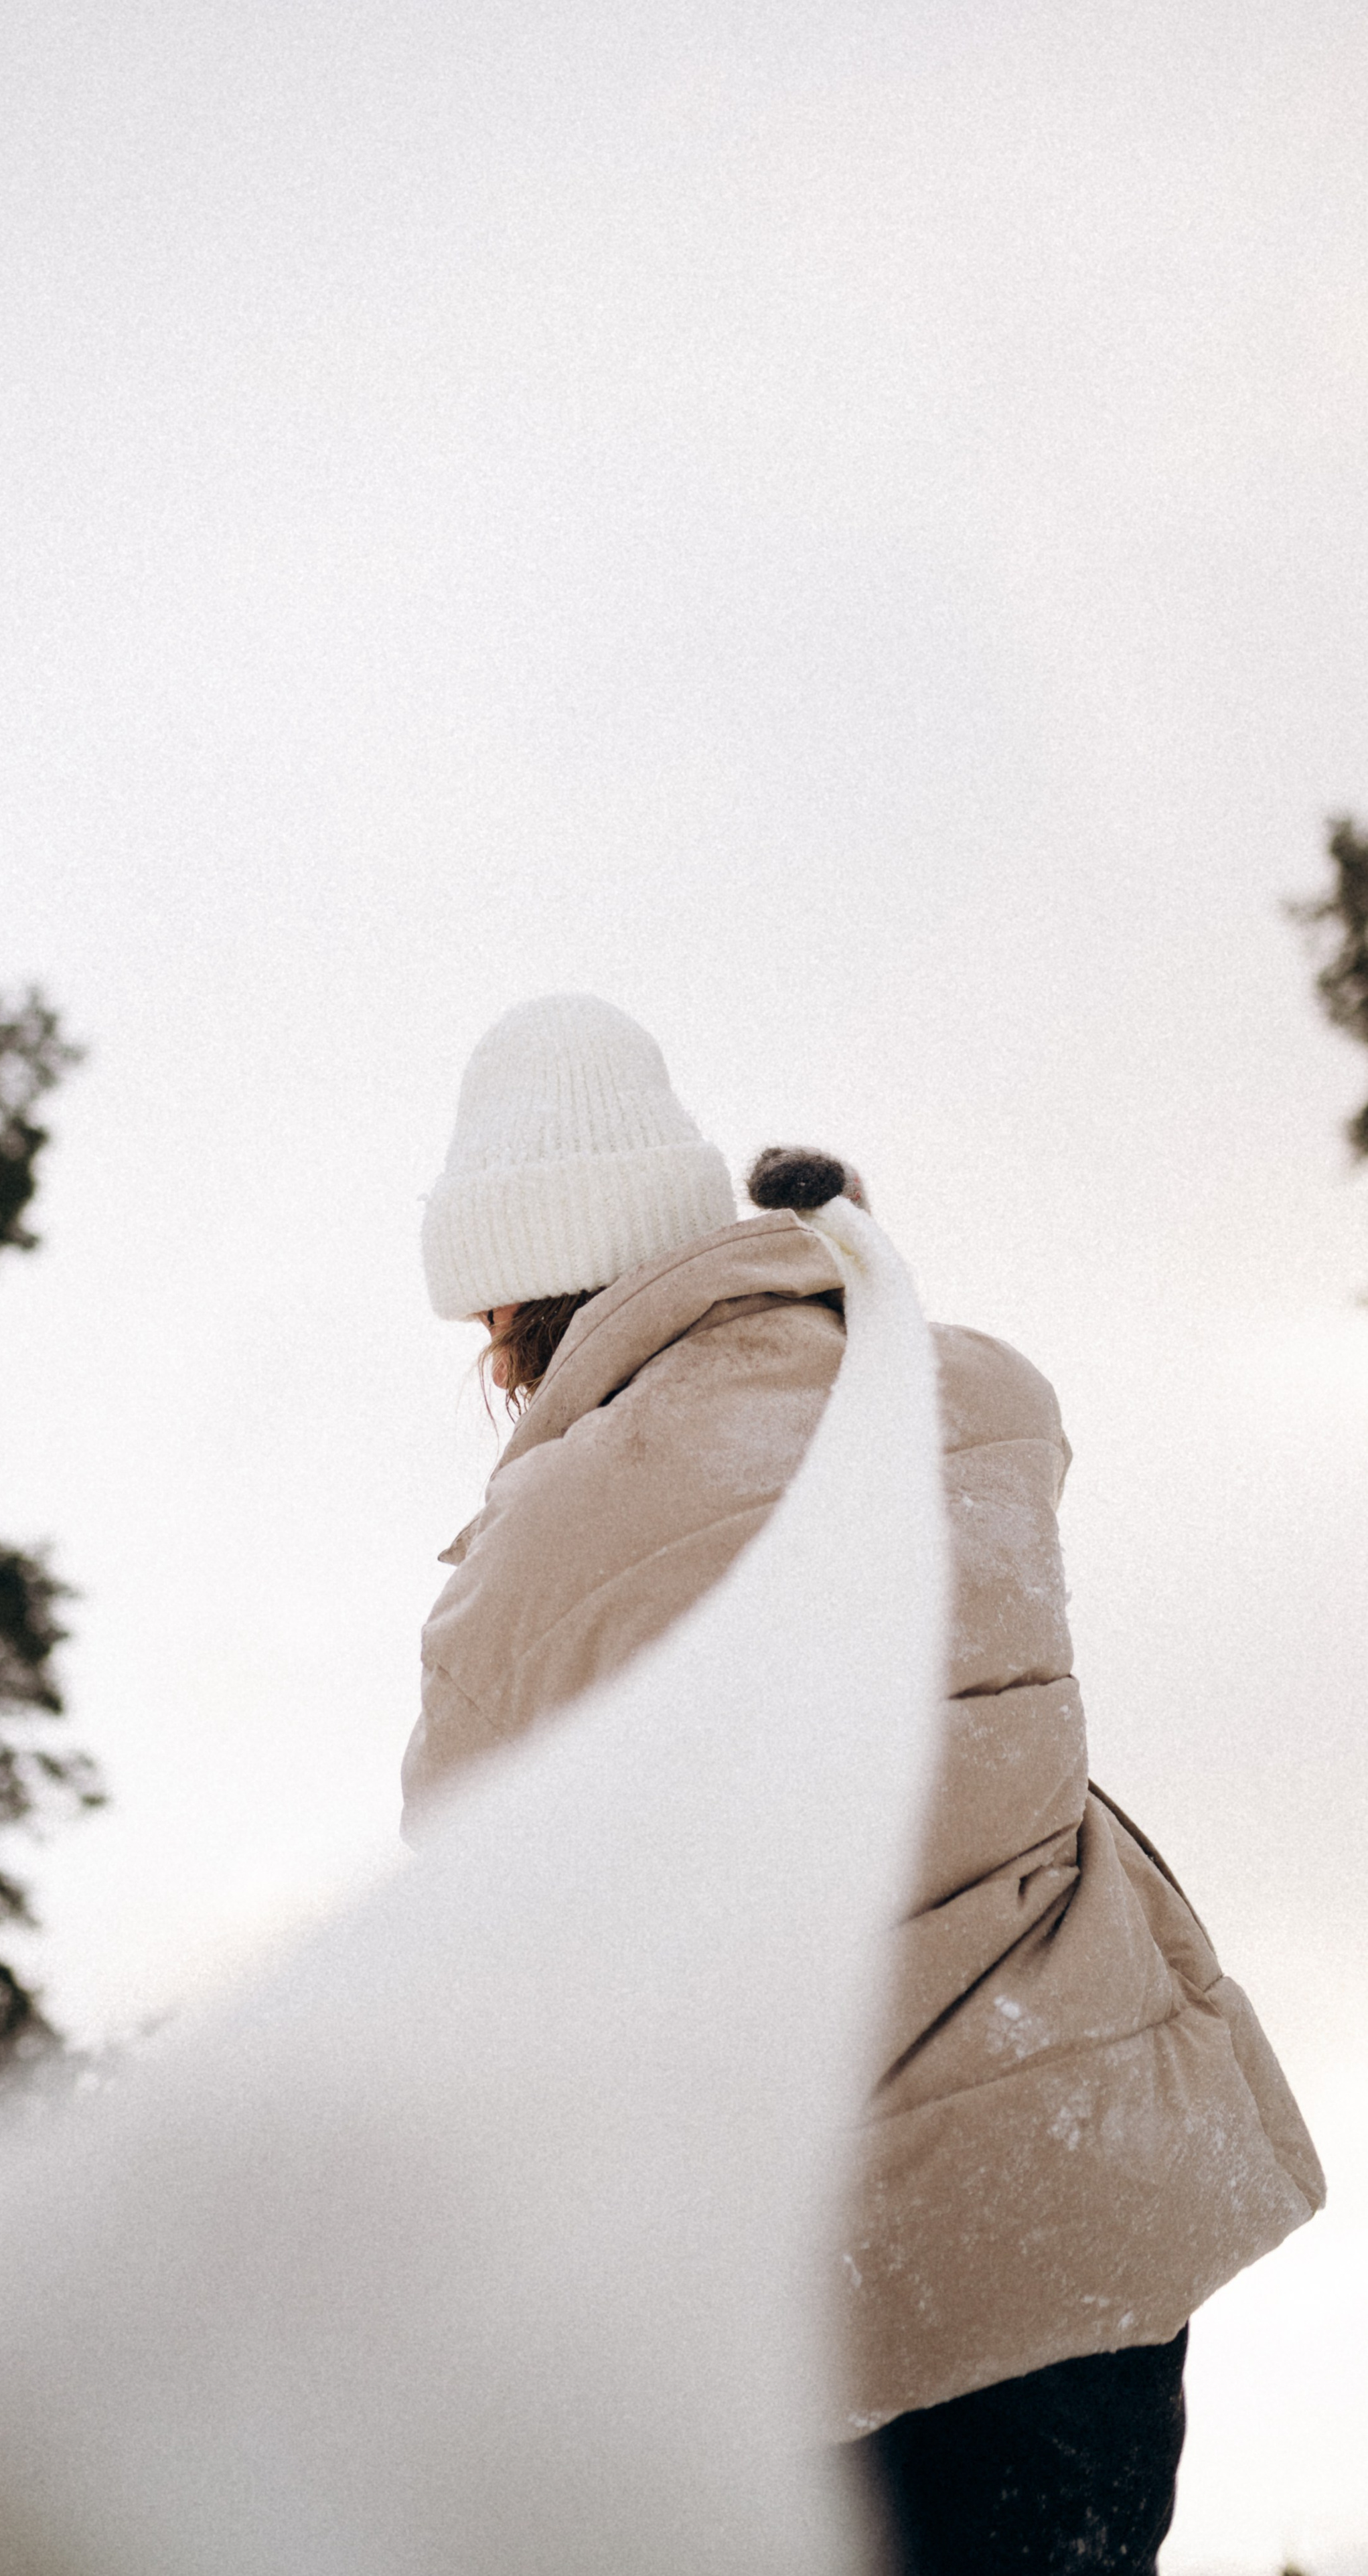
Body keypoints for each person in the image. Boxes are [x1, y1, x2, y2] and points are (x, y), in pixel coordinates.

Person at [403, 992, 1324, 2576]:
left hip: (845, 2315)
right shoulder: (972, 1403)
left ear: (509, 1322)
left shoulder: (524, 1570)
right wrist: (846, 1289)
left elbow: (471, 1923)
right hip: (1100, 2217)